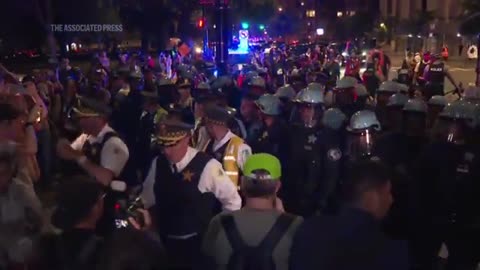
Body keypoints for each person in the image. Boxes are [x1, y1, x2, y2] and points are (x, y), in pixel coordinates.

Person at [140, 115, 241, 268]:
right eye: (163, 145)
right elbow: (148, 196)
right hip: (164, 241)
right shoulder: (158, 163)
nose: (167, 152)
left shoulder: (207, 166)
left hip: (195, 246)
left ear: (186, 139)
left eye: (172, 145)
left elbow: (233, 201)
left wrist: (219, 232)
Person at [290, 160, 409, 270]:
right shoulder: (390, 252)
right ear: (372, 197)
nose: (391, 199)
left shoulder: (308, 231)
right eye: (387, 193)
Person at [202, 153, 303, 270]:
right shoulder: (296, 226)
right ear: (277, 187)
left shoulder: (218, 223)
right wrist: (284, 217)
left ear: (242, 184)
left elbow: (206, 262)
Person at [56, 95, 129, 187]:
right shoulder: (86, 137)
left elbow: (104, 179)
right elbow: (66, 152)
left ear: (99, 119)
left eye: (84, 118)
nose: (80, 122)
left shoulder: (113, 143)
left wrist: (80, 158)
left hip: (104, 198)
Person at [0, 142, 45, 269]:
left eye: (3, 173)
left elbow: (37, 221)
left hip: (18, 245)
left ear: (10, 173)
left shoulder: (21, 191)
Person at [202, 105, 252, 188]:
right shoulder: (208, 143)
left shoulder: (240, 146)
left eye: (207, 124)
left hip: (231, 198)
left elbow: (249, 177)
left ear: (212, 126)